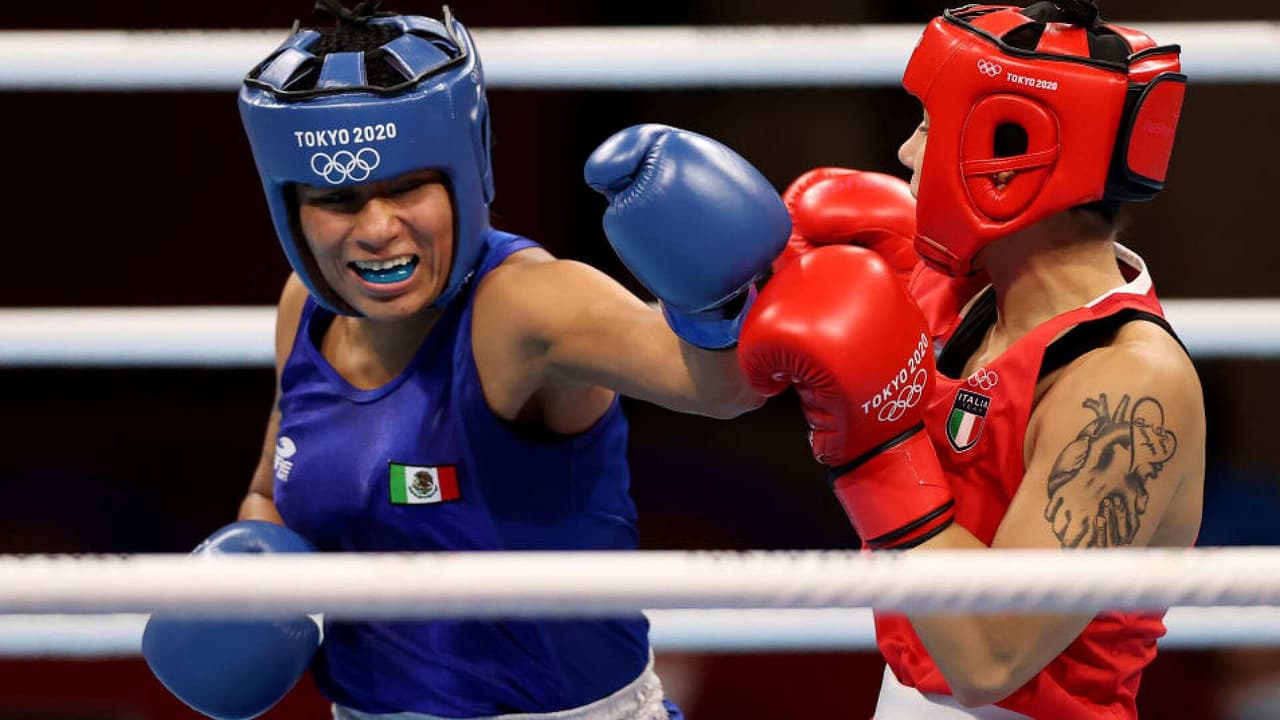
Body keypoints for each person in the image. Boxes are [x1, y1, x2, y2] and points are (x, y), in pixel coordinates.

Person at [141, 1, 790, 718]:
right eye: (338, 198)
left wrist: (716, 299)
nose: (377, 229)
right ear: (290, 208)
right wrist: (252, 578)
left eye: (405, 187)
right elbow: (273, 489)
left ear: (463, 173)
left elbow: (723, 388)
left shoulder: (524, 305)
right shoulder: (306, 307)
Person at [739, 1, 1204, 717]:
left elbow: (990, 655)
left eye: (930, 126)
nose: (906, 153)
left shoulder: (1127, 382)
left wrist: (875, 455)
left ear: (1012, 153)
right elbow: (734, 383)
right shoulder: (954, 292)